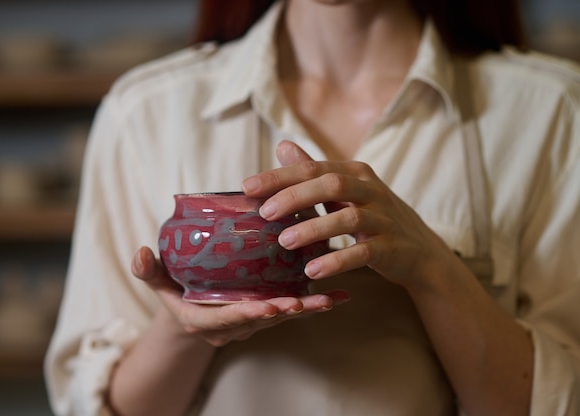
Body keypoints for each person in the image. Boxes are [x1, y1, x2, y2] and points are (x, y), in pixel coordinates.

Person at [44, 0, 580, 414]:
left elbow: (558, 402)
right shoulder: (146, 112)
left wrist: (435, 270)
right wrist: (185, 330)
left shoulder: (552, 111)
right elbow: (102, 406)